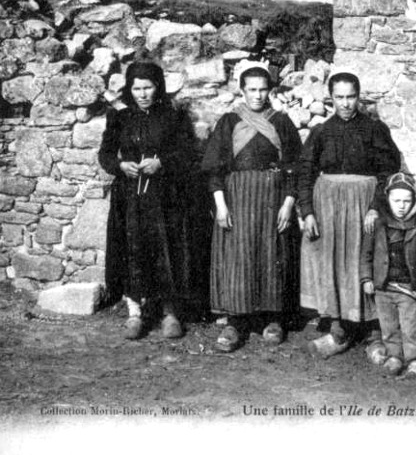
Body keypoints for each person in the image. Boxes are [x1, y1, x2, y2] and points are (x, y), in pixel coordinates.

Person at [298, 70, 402, 359]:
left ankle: (373, 333)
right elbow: (305, 172)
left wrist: (375, 207)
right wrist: (307, 212)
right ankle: (339, 330)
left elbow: (388, 172)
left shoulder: (374, 129)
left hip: (363, 206)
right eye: (339, 97)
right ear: (330, 98)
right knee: (333, 264)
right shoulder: (320, 132)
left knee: (363, 261)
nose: (345, 103)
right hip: (328, 207)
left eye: (351, 97)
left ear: (359, 97)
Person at [201, 64, 303, 352]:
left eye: (263, 90)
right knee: (238, 255)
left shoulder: (281, 122)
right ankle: (236, 321)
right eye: (252, 90)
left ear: (270, 90)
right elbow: (214, 169)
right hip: (237, 196)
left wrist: (288, 203)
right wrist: (220, 205)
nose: (258, 96)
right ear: (242, 91)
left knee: (273, 253)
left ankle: (273, 318)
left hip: (273, 197)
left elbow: (295, 167)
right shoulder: (229, 122)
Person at [98, 61, 193, 340]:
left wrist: (161, 162)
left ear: (158, 87)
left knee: (168, 249)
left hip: (165, 196)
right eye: (137, 88)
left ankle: (169, 312)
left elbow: (188, 153)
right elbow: (105, 154)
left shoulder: (173, 116)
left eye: (148, 87)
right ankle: (135, 312)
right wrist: (120, 166)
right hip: (130, 197)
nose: (142, 94)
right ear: (129, 89)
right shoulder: (119, 118)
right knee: (132, 249)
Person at [360, 172, 416, 378]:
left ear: (414, 201)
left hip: (407, 288)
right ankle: (394, 356)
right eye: (396, 201)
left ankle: (414, 361)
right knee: (389, 325)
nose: (401, 205)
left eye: (407, 200)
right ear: (388, 200)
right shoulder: (378, 224)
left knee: (410, 326)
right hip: (383, 287)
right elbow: (366, 253)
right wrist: (367, 278)